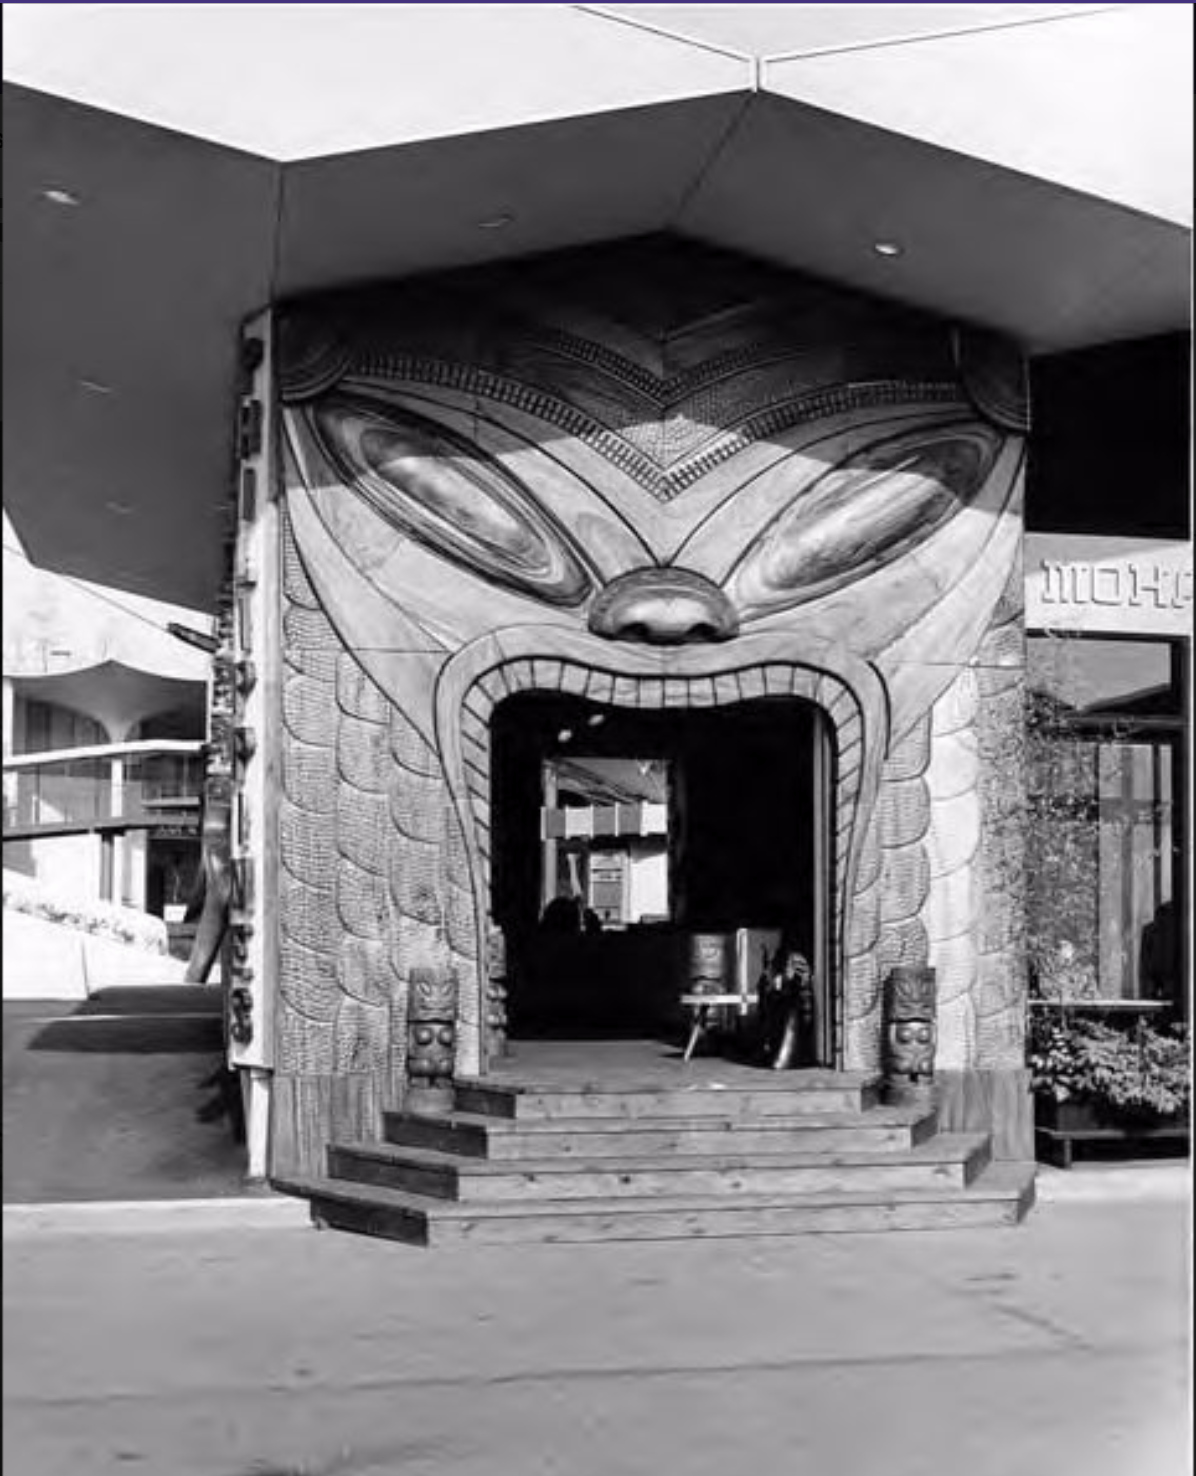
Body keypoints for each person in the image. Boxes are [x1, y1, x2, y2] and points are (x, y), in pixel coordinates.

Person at [757, 944, 814, 1070]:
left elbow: (799, 989)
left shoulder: (794, 965)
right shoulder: (778, 970)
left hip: (792, 1006)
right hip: (787, 1004)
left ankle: (784, 1057)